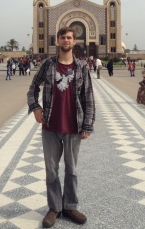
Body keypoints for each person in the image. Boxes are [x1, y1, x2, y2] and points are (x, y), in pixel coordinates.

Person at [27, 26, 95, 228]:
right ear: (58, 41)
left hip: (74, 126)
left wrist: (88, 125)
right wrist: (35, 107)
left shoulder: (82, 67)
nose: (66, 40)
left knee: (72, 170)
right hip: (50, 126)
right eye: (63, 37)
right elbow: (32, 88)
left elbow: (88, 98)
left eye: (69, 38)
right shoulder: (48, 65)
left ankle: (70, 206)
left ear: (75, 42)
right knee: (52, 170)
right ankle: (55, 208)